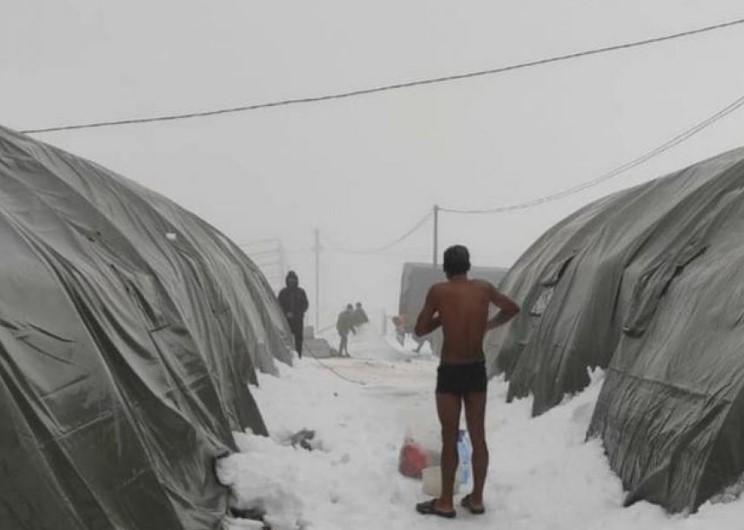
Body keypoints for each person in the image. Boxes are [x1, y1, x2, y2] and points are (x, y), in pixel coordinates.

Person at [414, 245, 520, 518]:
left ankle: (446, 502)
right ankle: (476, 499)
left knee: (449, 438)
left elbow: (420, 329)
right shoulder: (484, 288)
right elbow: (512, 308)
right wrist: (489, 324)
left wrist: (443, 317)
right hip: (475, 369)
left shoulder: (439, 291)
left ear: (446, 268)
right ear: (468, 265)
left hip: (450, 370)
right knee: (478, 436)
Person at [277, 271, 309, 358]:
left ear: (296, 280)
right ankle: (288, 356)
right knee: (286, 339)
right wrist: (286, 313)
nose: (292, 281)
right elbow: (278, 306)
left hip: (298, 320)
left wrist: (297, 313)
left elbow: (305, 305)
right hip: (286, 320)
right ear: (287, 280)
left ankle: (298, 355)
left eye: (293, 280)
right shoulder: (283, 293)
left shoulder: (301, 292)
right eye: (290, 280)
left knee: (298, 339)